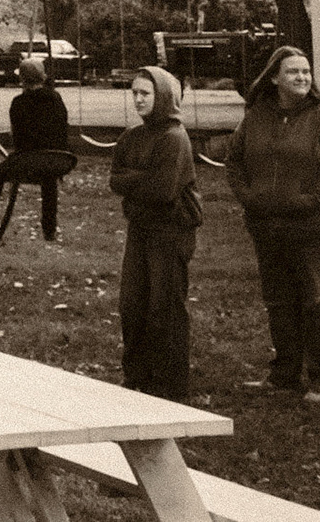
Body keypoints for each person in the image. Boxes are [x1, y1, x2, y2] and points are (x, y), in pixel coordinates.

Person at [225, 45, 320, 402]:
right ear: (274, 78)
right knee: (279, 301)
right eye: (294, 72)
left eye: (306, 72)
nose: (302, 77)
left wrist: (309, 200)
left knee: (316, 299)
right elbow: (233, 162)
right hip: (267, 226)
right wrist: (249, 198)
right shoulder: (255, 115)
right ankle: (284, 374)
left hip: (315, 225)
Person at [110, 65, 201, 401]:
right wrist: (140, 179)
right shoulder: (132, 137)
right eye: (134, 93)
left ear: (163, 95)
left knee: (165, 306)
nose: (138, 100)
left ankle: (169, 384)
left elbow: (163, 191)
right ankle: (137, 376)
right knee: (133, 303)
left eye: (145, 93)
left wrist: (135, 182)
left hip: (171, 231)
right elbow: (114, 179)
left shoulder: (174, 138)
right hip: (141, 229)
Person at [0, 57, 70, 241]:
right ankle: (49, 229)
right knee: (48, 177)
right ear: (43, 77)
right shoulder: (56, 98)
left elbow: (19, 139)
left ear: (22, 79)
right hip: (59, 159)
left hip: (31, 158)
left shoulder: (19, 103)